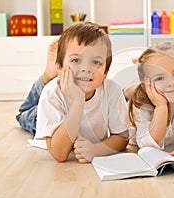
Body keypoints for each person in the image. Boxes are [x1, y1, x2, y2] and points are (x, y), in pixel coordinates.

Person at [16, 22, 129, 163]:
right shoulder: (52, 93)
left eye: (96, 62)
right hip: (49, 121)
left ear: (106, 72)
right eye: (76, 60)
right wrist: (77, 101)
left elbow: (122, 137)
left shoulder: (112, 89)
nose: (86, 68)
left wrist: (96, 150)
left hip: (70, 122)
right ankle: (47, 74)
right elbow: (59, 154)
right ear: (60, 67)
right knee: (25, 116)